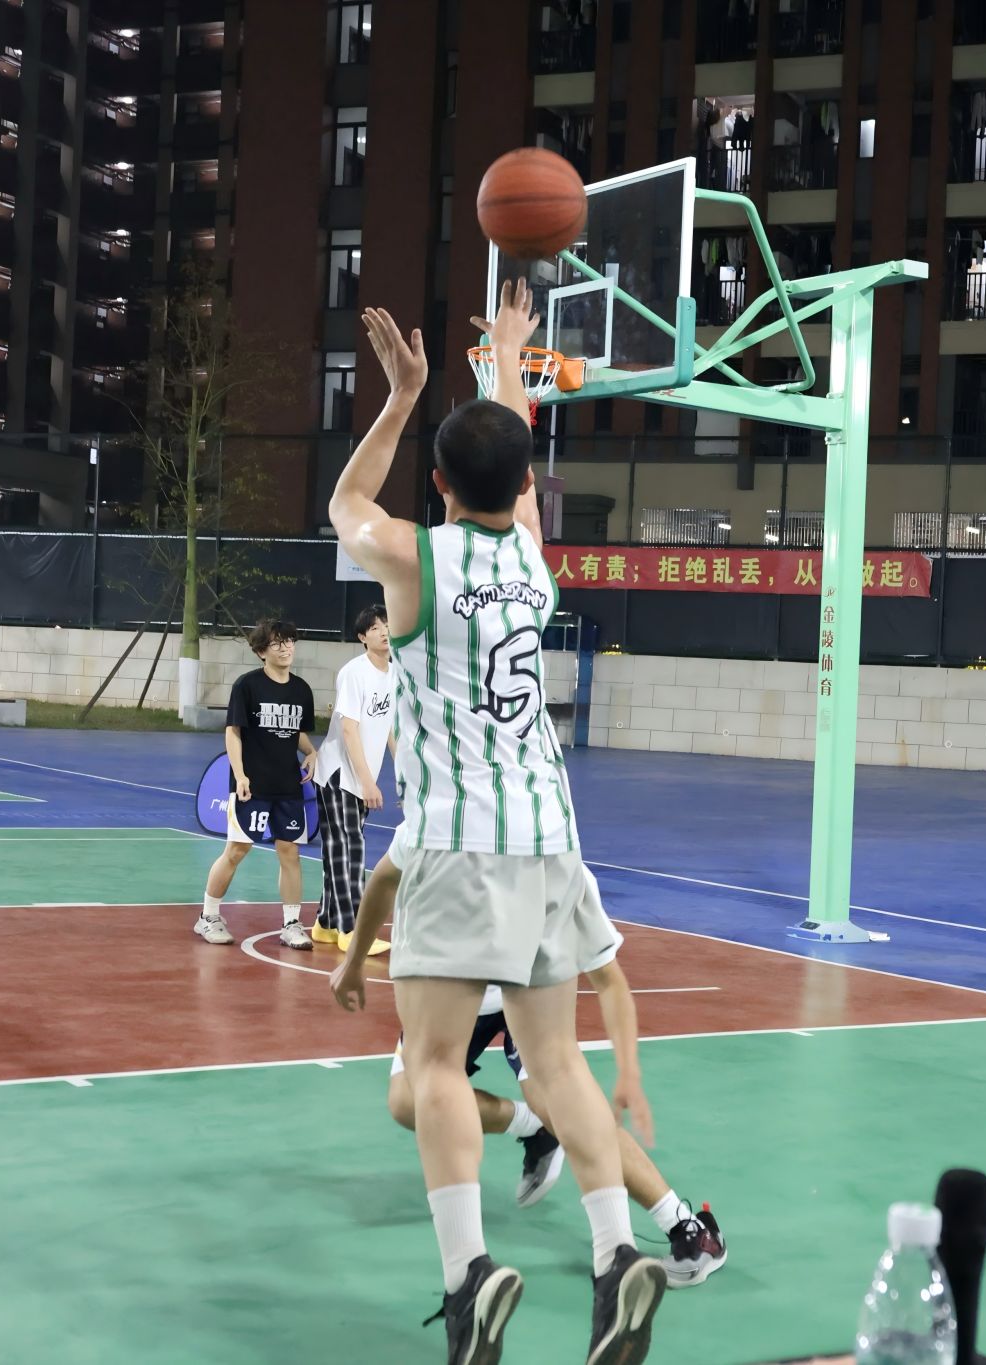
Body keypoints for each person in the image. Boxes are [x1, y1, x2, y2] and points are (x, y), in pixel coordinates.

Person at [328, 281, 668, 1365]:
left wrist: (401, 397)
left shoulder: (413, 558)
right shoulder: (530, 555)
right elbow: (508, 461)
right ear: (527, 487)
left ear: (436, 484)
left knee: (433, 1065)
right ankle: (616, 1253)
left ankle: (469, 1275)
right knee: (555, 1063)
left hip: (458, 837)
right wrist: (510, 359)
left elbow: (344, 503)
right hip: (550, 838)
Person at [334, 854, 728, 1289]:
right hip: (452, 993)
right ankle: (533, 1128)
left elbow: (607, 977)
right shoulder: (436, 830)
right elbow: (385, 878)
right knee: (406, 1102)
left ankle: (686, 1227)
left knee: (565, 1105)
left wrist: (628, 1070)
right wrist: (354, 961)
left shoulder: (557, 858)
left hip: (528, 995)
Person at [195, 618, 319, 950]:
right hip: (252, 785)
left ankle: (291, 924)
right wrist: (240, 775)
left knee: (290, 852)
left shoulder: (301, 689)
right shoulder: (247, 686)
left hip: (288, 785)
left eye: (290, 641)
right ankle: (208, 916)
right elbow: (233, 731)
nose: (286, 648)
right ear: (262, 651)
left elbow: (296, 731)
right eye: (278, 643)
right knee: (237, 849)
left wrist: (310, 751)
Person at [313, 603, 397, 956]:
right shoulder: (354, 673)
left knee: (339, 847)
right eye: (375, 627)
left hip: (359, 775)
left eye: (386, 624)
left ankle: (326, 923)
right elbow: (349, 730)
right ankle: (351, 929)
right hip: (338, 773)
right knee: (350, 847)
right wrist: (367, 782)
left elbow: (391, 727)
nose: (384, 631)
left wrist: (403, 773)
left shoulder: (395, 672)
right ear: (363, 637)